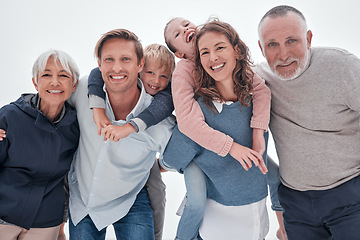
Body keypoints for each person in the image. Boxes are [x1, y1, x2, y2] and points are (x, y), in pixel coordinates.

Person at [164, 17, 287, 240]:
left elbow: (261, 91)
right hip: (198, 147)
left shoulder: (235, 69)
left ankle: (284, 229)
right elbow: (188, 123)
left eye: (186, 24)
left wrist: (258, 133)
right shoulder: (183, 72)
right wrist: (231, 147)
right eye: (176, 34)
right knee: (197, 200)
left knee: (275, 175)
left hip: (234, 162)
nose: (185, 30)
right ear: (180, 54)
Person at [256, 5, 360, 240]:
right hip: (296, 204)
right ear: (261, 48)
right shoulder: (259, 79)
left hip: (351, 197)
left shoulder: (341, 65)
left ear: (309, 38)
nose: (283, 55)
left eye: (292, 41)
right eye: (272, 44)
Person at [67, 29, 175, 240]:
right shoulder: (83, 90)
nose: (117, 67)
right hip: (83, 200)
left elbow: (181, 154)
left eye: (125, 59)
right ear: (99, 64)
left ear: (140, 64)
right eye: (109, 59)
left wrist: (160, 166)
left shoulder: (159, 117)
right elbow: (44, 107)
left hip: (130, 199)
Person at [0, 49, 80, 240]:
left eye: (63, 75)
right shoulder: (9, 116)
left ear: (74, 84)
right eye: (46, 75)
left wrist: (61, 225)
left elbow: (70, 177)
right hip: (3, 215)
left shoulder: (77, 125)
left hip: (46, 222)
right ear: (36, 82)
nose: (55, 82)